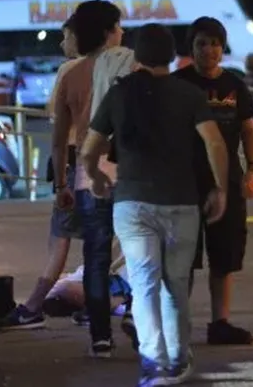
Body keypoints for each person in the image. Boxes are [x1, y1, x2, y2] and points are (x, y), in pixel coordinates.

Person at [82, 23, 230, 386]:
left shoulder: (120, 95)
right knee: (175, 284)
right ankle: (179, 359)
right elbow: (214, 144)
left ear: (138, 56)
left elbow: (90, 149)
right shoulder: (189, 95)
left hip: (132, 204)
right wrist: (221, 189)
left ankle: (153, 362)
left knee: (144, 283)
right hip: (181, 202)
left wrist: (98, 178)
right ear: (172, 54)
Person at [173, 17, 253, 345]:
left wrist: (252, 170)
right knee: (184, 258)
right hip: (186, 184)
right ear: (191, 48)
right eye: (201, 44)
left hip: (229, 182)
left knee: (225, 256)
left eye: (214, 44)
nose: (208, 50)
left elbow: (249, 129)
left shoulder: (235, 86)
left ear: (223, 48)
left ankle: (220, 323)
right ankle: (178, 323)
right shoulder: (178, 84)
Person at [0, 20, 82, 331]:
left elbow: (53, 115)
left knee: (60, 239)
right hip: (104, 163)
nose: (61, 44)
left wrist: (59, 182)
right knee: (104, 238)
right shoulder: (111, 69)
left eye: (66, 37)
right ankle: (99, 304)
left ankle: (33, 307)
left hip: (72, 161)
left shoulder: (71, 71)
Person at [51, 0, 127, 358]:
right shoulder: (132, 68)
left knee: (95, 256)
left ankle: (101, 336)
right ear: (110, 31)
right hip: (129, 173)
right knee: (141, 251)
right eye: (120, 26)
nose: (123, 33)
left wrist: (60, 186)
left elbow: (59, 136)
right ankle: (140, 319)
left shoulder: (69, 73)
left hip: (87, 174)